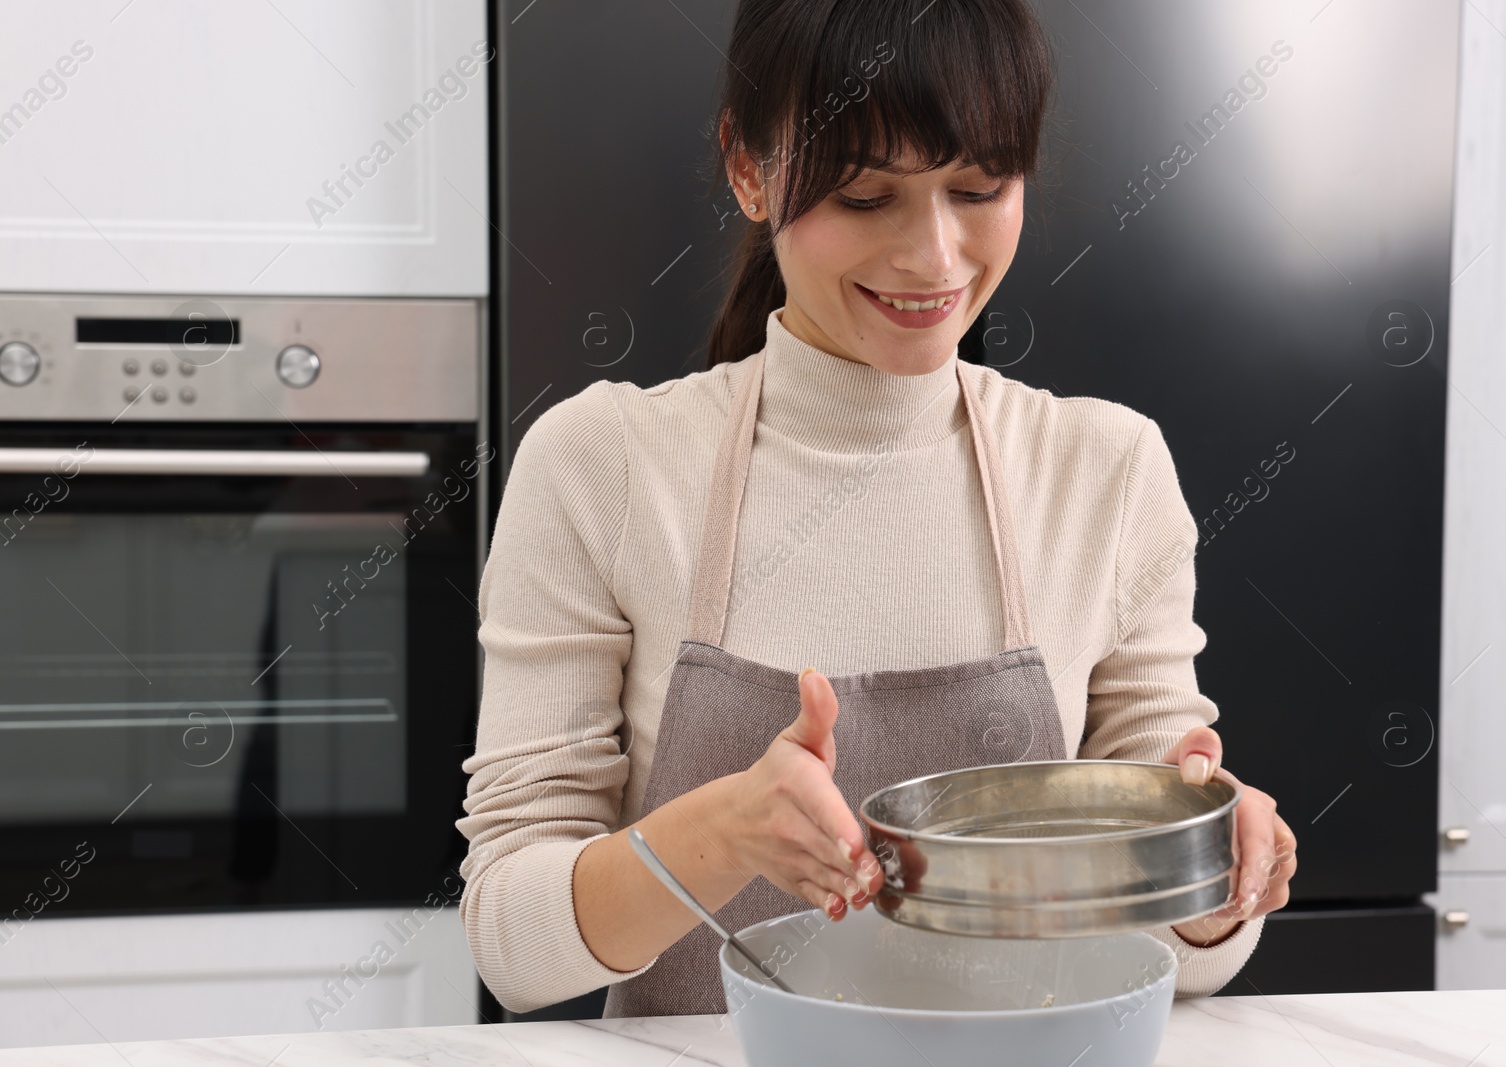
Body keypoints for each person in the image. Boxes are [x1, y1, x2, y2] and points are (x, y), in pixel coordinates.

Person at [457, 0, 1296, 1019]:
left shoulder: (1105, 469)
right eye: (864, 196)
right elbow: (512, 942)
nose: (934, 258)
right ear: (747, 167)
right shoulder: (605, 465)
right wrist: (719, 831)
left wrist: (1219, 873)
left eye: (977, 187)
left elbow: (1179, 944)